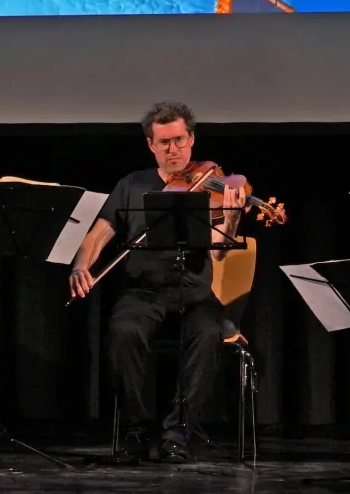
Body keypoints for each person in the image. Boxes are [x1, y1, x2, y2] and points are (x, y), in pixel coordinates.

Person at [67, 101, 247, 462]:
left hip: (194, 290)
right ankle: (136, 430)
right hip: (142, 290)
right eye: (164, 142)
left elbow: (219, 253)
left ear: (191, 139)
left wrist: (231, 219)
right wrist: (80, 266)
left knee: (209, 334)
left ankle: (178, 434)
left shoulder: (209, 185)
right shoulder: (132, 185)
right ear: (151, 145)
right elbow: (99, 233)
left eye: (180, 140)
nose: (173, 150)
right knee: (123, 332)